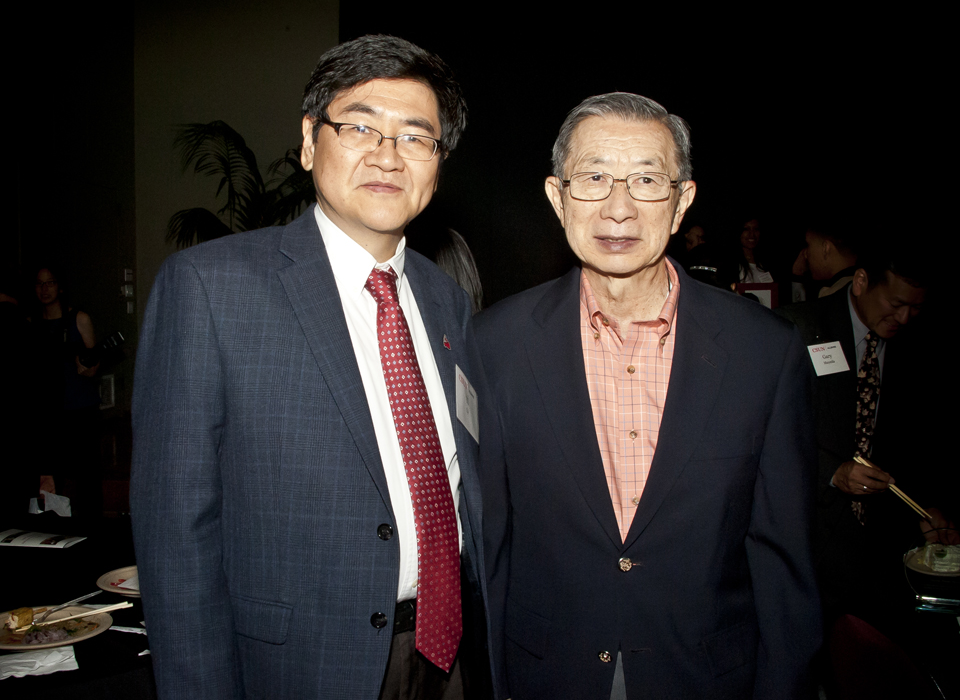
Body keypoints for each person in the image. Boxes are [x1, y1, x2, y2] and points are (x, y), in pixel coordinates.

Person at [132, 35, 491, 700]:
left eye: (416, 137)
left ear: (438, 165)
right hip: (301, 667)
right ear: (308, 141)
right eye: (359, 125)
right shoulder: (211, 287)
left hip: (450, 657)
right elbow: (175, 537)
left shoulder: (447, 302)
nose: (387, 155)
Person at [474, 93, 821, 699]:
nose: (618, 207)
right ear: (557, 197)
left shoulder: (764, 353)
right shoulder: (495, 344)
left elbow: (785, 563)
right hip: (547, 674)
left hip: (706, 676)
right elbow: (491, 548)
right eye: (595, 177)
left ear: (682, 201)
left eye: (645, 180)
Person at [778, 247, 957, 626]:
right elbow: (767, 433)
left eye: (916, 307)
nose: (904, 317)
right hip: (807, 536)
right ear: (861, 282)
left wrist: (924, 509)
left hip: (878, 550)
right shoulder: (796, 328)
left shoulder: (916, 344)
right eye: (895, 303)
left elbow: (916, 440)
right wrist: (833, 471)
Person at [29, 265, 103, 517]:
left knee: (86, 476)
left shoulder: (78, 318)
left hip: (80, 406)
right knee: (50, 477)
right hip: (48, 410)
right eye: (40, 284)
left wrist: (87, 366)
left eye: (50, 283)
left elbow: (94, 364)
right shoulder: (31, 322)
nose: (44, 289)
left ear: (59, 287)